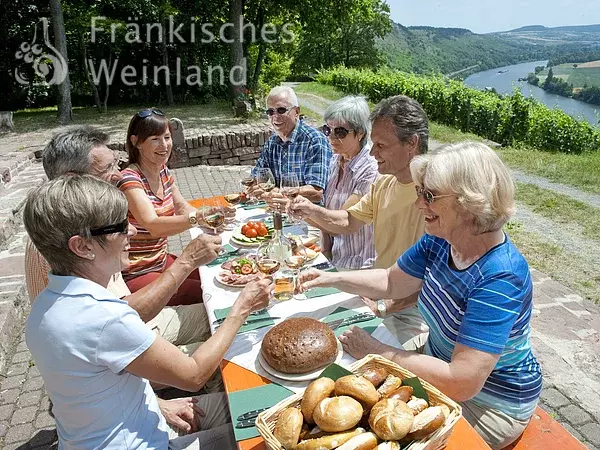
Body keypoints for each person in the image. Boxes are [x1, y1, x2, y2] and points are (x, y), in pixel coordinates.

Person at [298, 142, 542, 449]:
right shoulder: (440, 240)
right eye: (419, 192)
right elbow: (390, 281)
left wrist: (376, 350)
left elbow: (461, 380)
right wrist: (329, 278)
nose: (418, 204)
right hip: (435, 360)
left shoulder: (500, 276)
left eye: (429, 196)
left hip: (490, 403)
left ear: (469, 202)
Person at [24, 174, 273, 449]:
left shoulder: (46, 306)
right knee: (263, 409)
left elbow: (94, 389)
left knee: (242, 397)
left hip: (124, 426)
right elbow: (193, 375)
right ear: (82, 246)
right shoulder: (103, 317)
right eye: (119, 226)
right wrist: (242, 307)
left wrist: (157, 403)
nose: (131, 231)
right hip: (144, 442)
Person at [25, 126, 218, 359]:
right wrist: (186, 261)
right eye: (107, 168)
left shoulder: (92, 217)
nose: (118, 174)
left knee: (219, 309)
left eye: (116, 163)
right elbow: (112, 327)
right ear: (73, 179)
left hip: (133, 327)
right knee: (222, 340)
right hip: (118, 352)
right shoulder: (54, 242)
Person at [292, 95, 428, 345]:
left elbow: (438, 279)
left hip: (413, 312)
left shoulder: (433, 195)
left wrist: (386, 306)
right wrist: (311, 210)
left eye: (381, 145)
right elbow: (348, 221)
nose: (373, 153)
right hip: (379, 294)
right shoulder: (384, 183)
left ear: (412, 143)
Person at [118, 109, 209, 306]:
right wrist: (198, 218)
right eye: (155, 139)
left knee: (213, 275)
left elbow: (181, 206)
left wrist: (212, 218)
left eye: (167, 137)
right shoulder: (129, 179)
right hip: (137, 272)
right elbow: (153, 225)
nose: (165, 145)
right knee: (208, 292)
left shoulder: (162, 171)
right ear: (135, 142)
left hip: (160, 261)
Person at [319, 95, 378, 269]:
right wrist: (326, 251)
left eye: (340, 132)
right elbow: (326, 213)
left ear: (360, 133)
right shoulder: (336, 160)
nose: (331, 137)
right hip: (338, 258)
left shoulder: (370, 168)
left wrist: (302, 210)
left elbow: (342, 222)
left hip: (361, 265)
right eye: (327, 129)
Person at [248, 85, 332, 203]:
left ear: (296, 111)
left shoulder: (314, 141)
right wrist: (254, 185)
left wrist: (279, 191)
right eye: (270, 112)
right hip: (277, 209)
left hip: (307, 215)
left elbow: (316, 192)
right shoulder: (272, 142)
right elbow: (259, 175)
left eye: (281, 110)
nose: (275, 116)